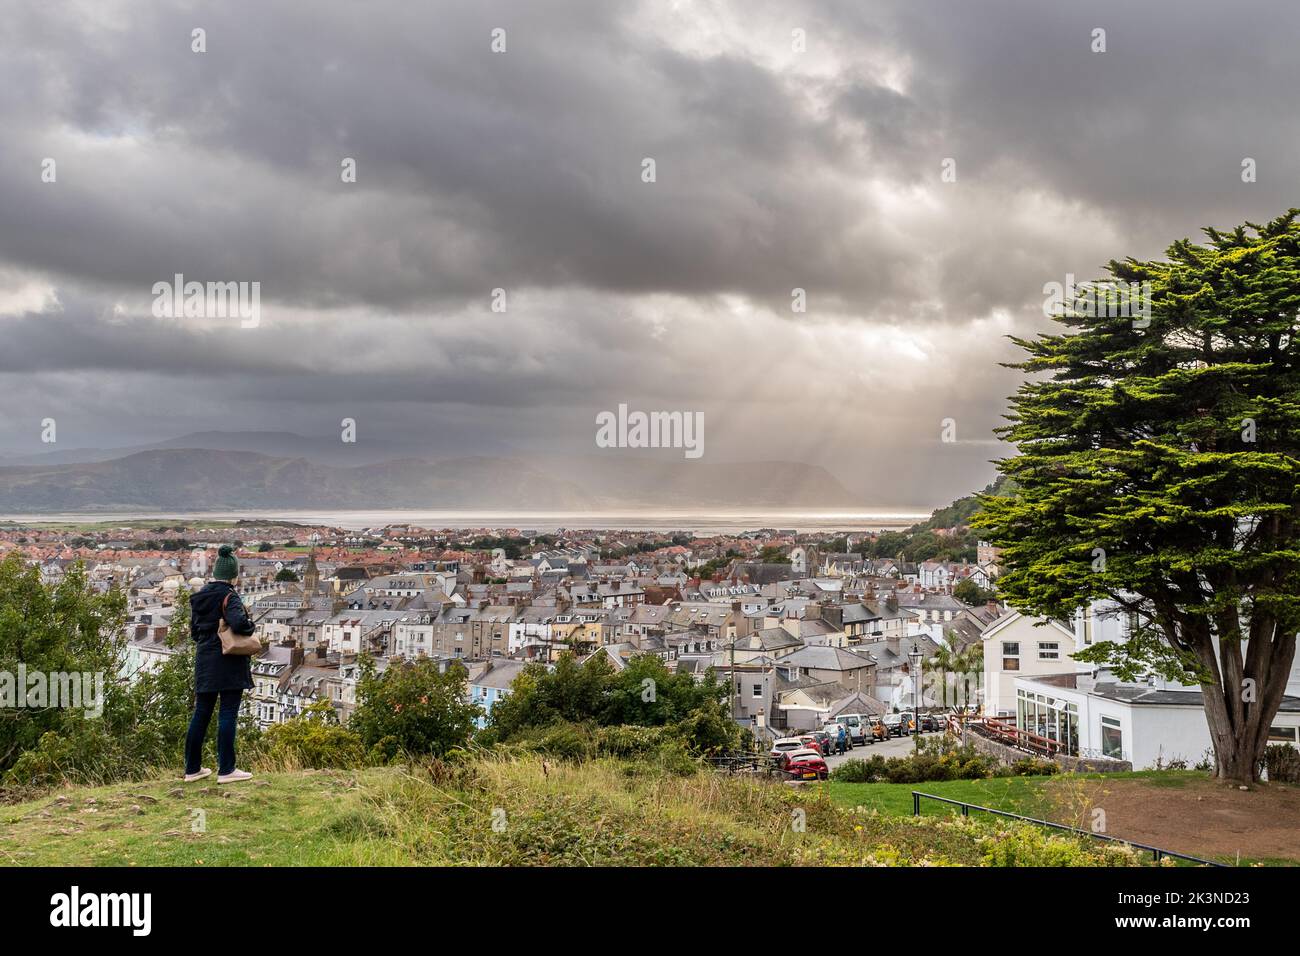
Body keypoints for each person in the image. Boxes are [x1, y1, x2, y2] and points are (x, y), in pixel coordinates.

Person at [183, 545, 256, 784]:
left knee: (201, 713)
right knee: (227, 713)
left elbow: (194, 632)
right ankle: (226, 769)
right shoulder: (229, 596)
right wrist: (250, 624)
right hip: (228, 661)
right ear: (233, 575)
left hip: (205, 660)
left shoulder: (199, 596)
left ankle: (192, 769)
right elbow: (238, 624)